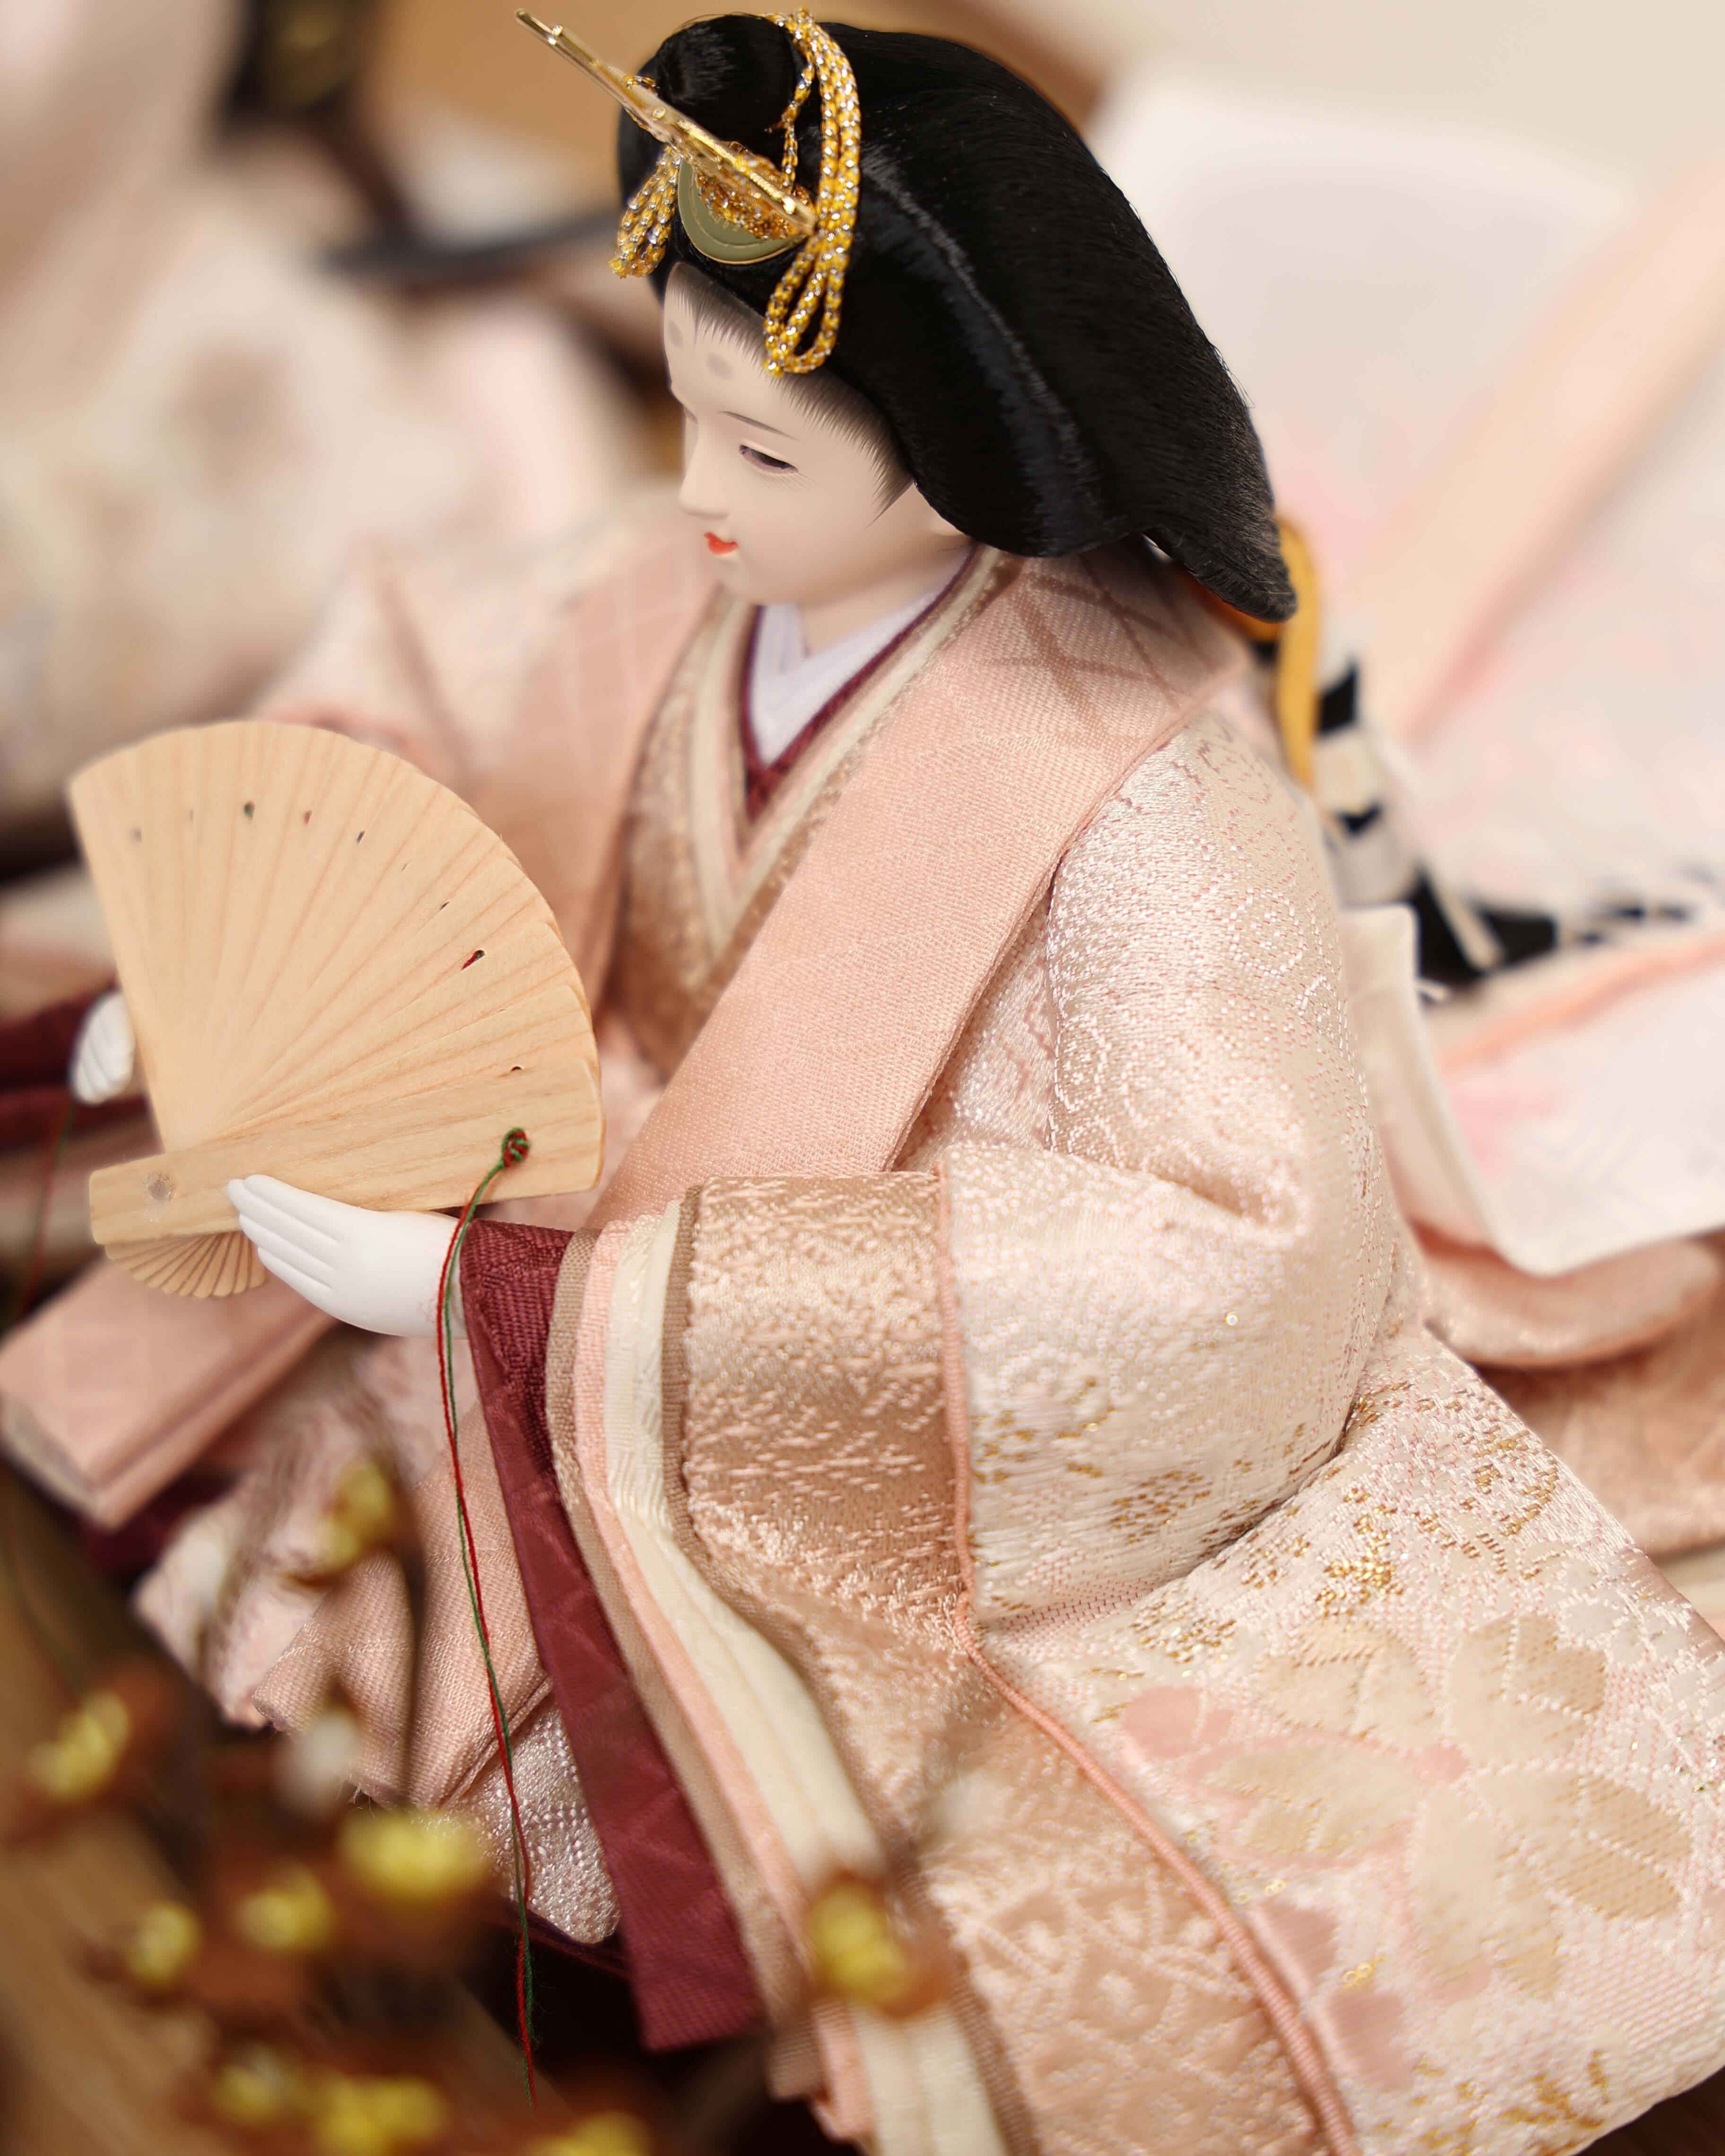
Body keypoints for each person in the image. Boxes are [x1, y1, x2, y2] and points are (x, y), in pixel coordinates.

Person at [60, 15, 1725, 2151]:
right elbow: (407, 698)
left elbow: (1232, 1253)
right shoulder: (673, 587)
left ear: (948, 458)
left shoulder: (1142, 787)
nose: (692, 495)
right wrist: (233, 970)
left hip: (792, 1382)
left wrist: (549, 1304)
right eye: (684, 417)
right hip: (497, 1233)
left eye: (758, 454)